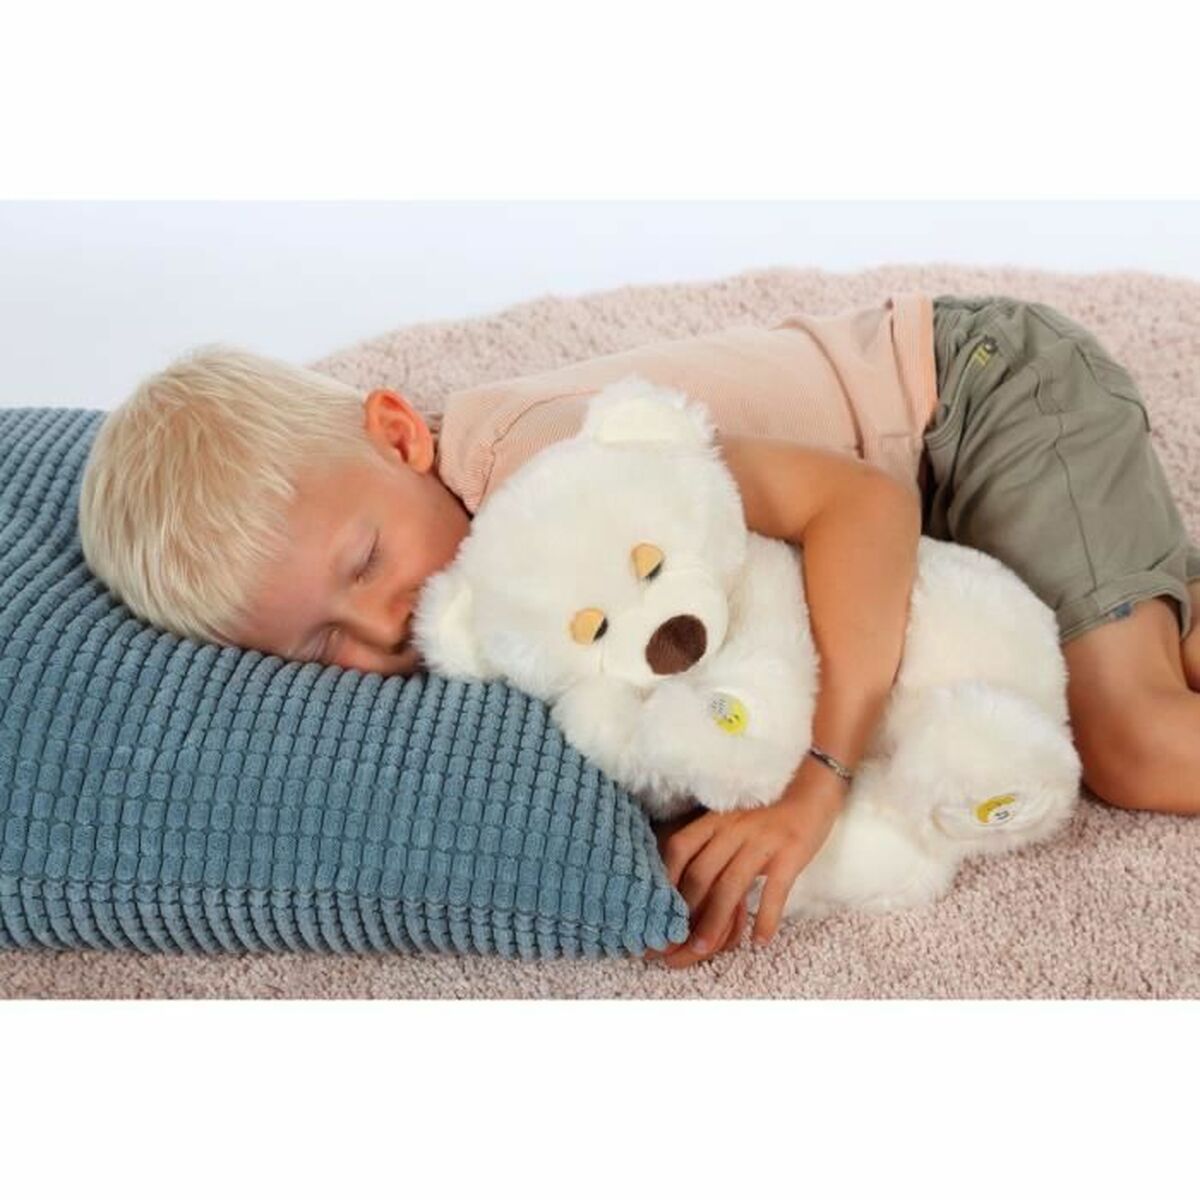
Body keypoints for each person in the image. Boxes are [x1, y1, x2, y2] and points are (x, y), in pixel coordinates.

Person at [77, 292, 1200, 970]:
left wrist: (818, 778)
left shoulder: (553, 473)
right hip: (939, 539)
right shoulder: (487, 606)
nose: (380, 630)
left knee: (1136, 745)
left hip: (971, 401)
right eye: (319, 646)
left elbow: (862, 503)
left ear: (400, 433)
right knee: (1121, 646)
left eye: (365, 562)